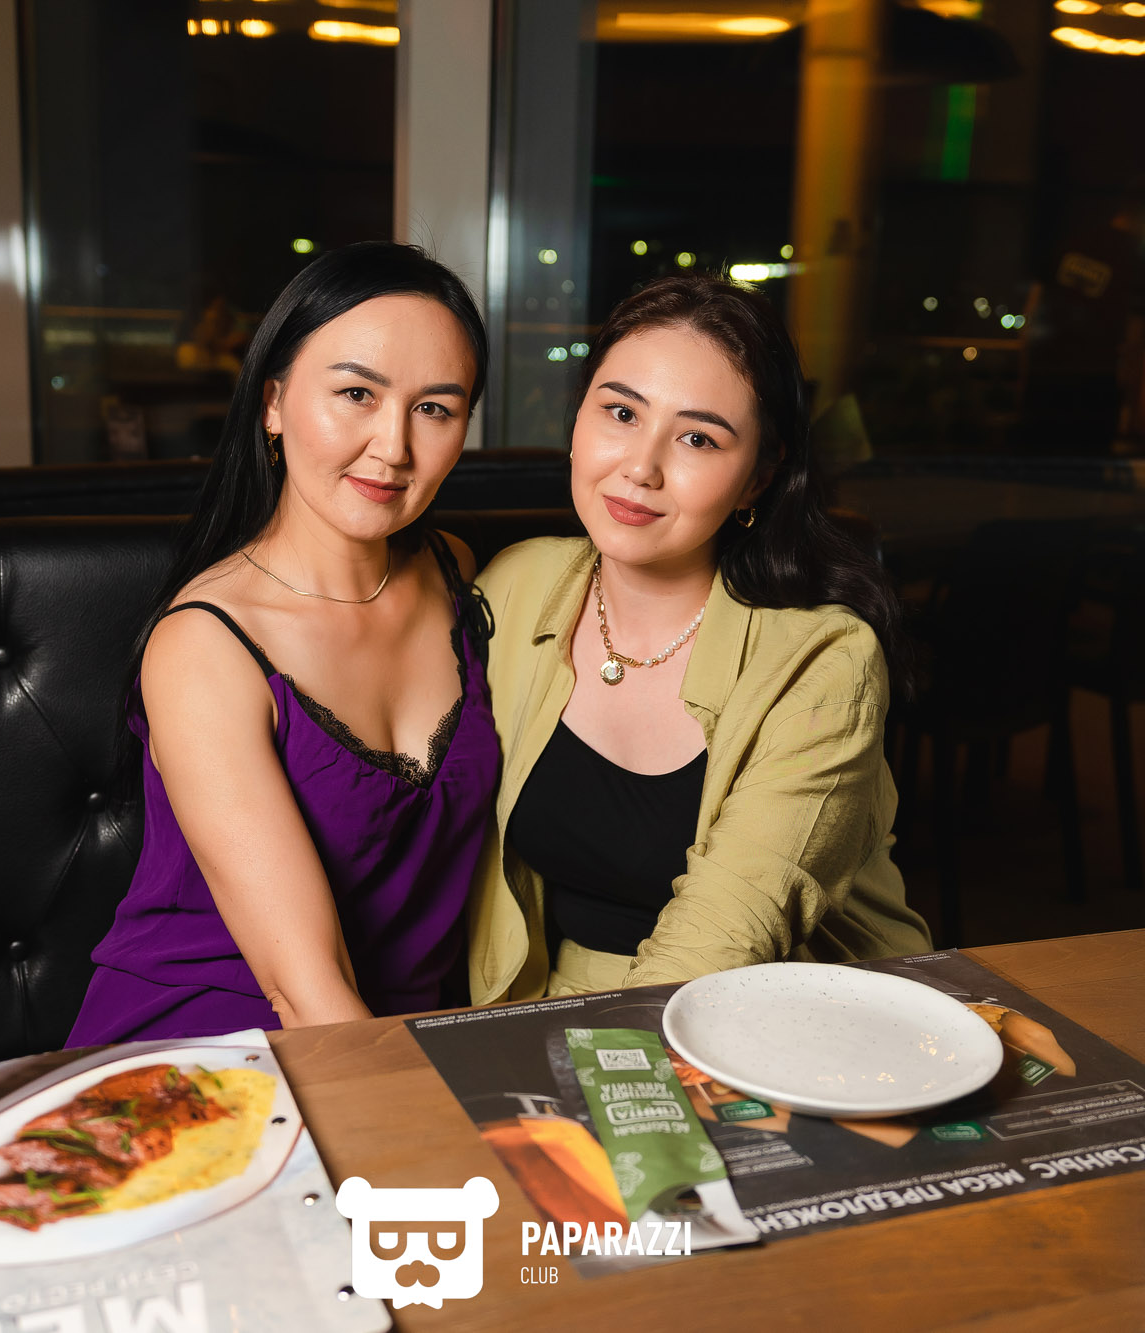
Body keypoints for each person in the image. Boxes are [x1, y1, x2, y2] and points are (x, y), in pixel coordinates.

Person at [69, 242, 499, 1044]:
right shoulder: (206, 645)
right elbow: (307, 991)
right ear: (273, 402)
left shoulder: (456, 573)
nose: (394, 447)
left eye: (435, 409)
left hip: (407, 1038)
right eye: (356, 393)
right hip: (221, 1043)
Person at [468, 274, 930, 1003]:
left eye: (697, 438)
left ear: (757, 479)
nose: (640, 467)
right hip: (555, 992)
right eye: (621, 412)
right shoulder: (516, 584)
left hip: (787, 1010)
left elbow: (726, 932)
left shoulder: (825, 659)